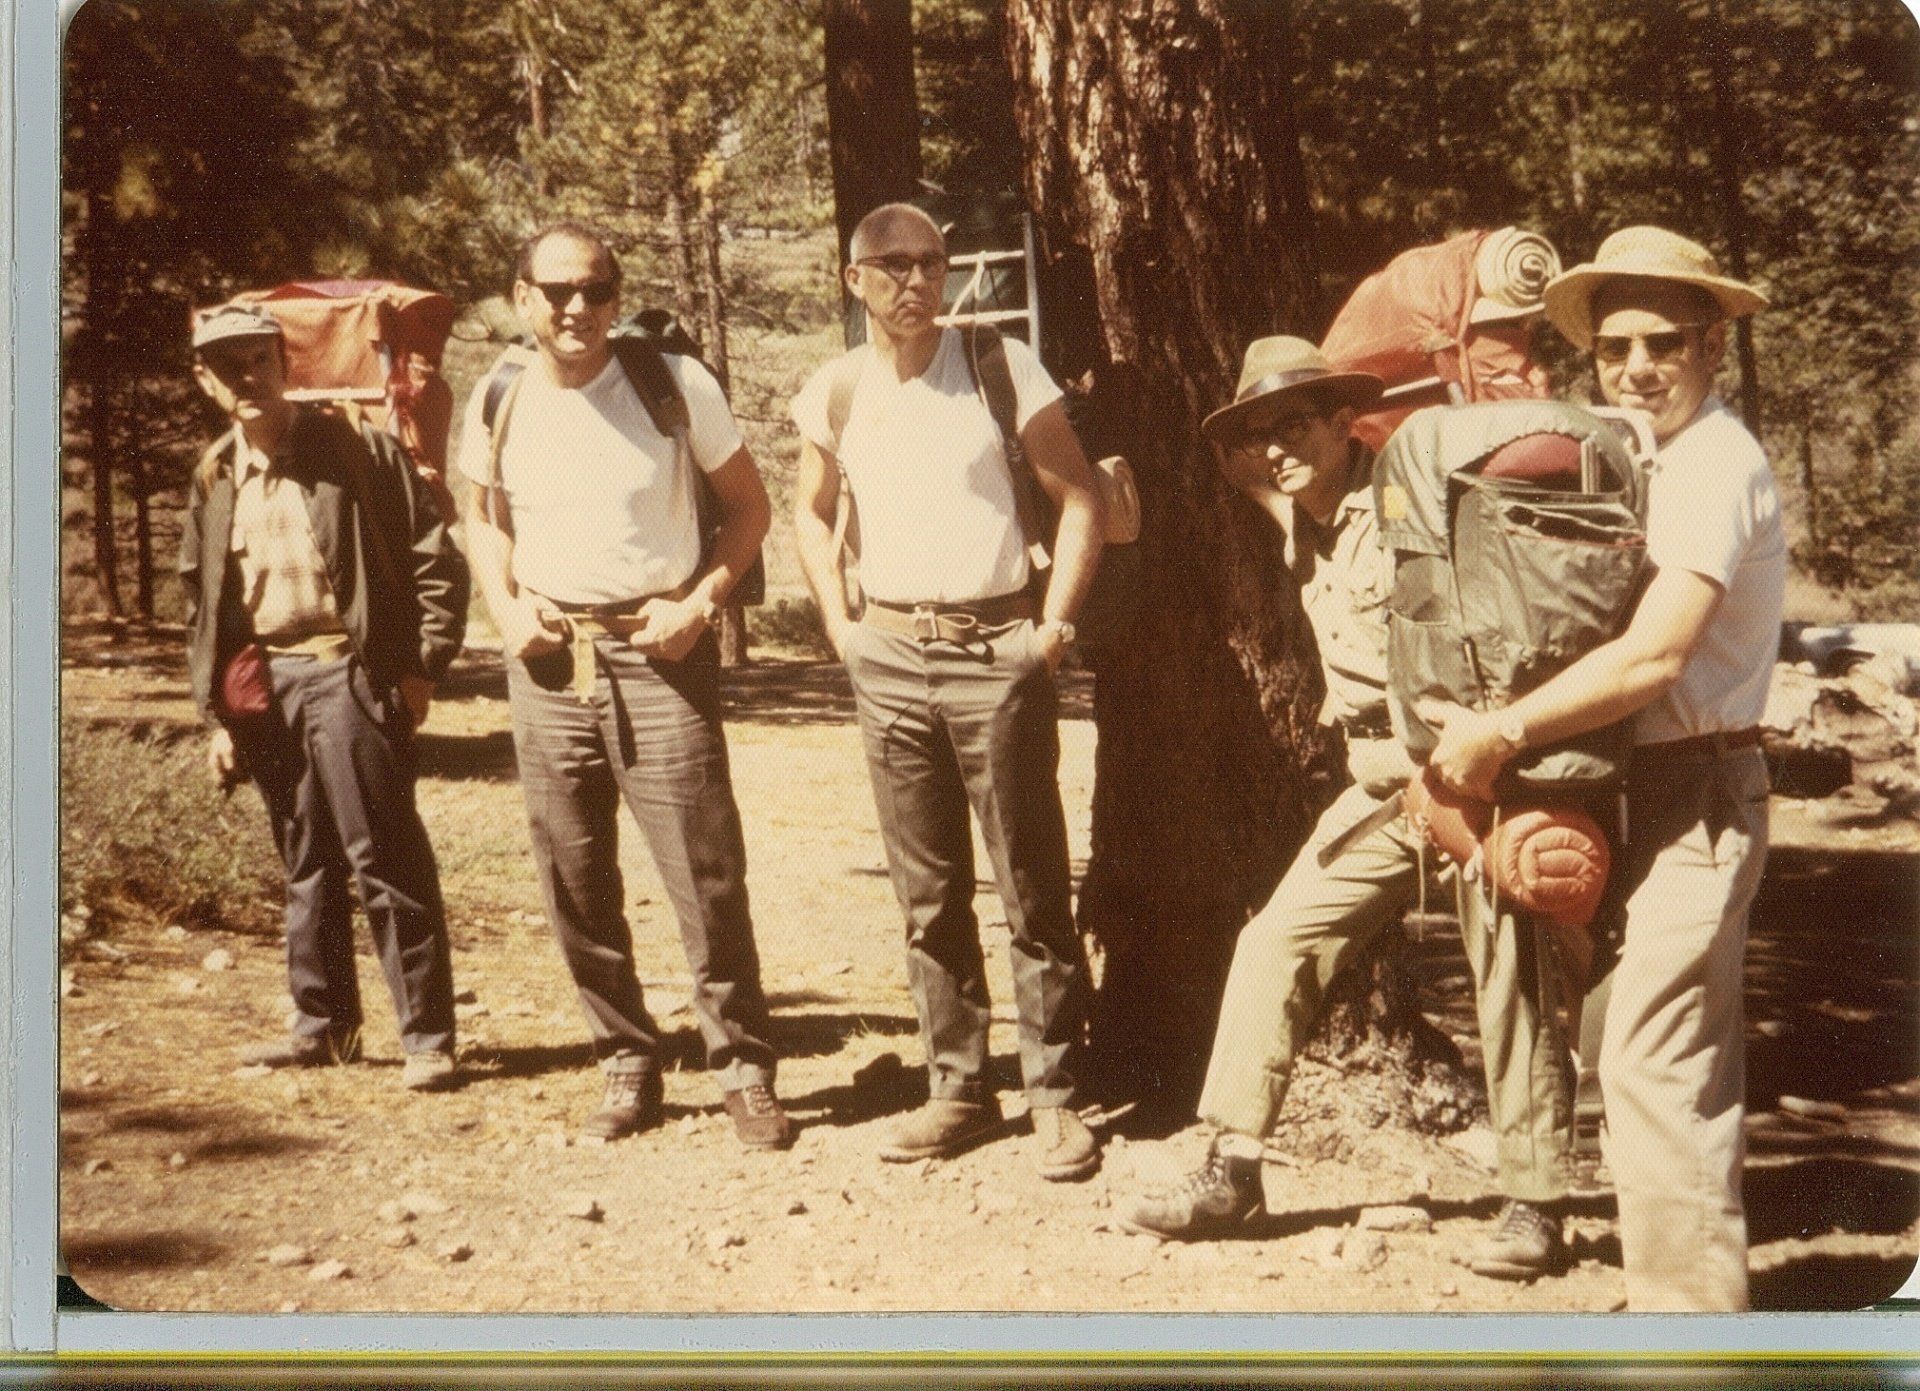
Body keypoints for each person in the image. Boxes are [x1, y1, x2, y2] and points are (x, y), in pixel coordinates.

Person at [1119, 336, 1578, 1281]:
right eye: (1257, 434)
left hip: (1469, 777)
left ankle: (1536, 1203)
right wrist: (1241, 455)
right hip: (1384, 789)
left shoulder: (1411, 506)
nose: (1273, 448)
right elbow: (1259, 482)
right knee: (1274, 940)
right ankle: (1233, 1169)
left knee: (1510, 972)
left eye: (1293, 425)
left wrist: (1487, 759)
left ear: (1344, 422)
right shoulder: (1307, 513)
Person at [1422, 226, 1781, 1311]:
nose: (1636, 367)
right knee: (1640, 1054)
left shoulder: (1715, 462)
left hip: (1698, 786)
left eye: (1664, 342)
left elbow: (1654, 656)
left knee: (1653, 1066)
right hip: (1630, 784)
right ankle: (1679, 1299)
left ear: (1712, 344)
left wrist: (1502, 732)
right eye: (1614, 346)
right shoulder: (1638, 457)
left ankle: (1693, 1334)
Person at [789, 203, 1108, 1180]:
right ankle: (959, 1087)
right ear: (855, 280)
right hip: (888, 652)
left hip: (996, 649)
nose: (917, 281)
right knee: (927, 893)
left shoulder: (998, 365)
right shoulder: (837, 389)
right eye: (893, 266)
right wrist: (842, 626)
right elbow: (810, 510)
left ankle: (1056, 1093)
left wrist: (1050, 629)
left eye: (932, 262)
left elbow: (1081, 495)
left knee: (1030, 884)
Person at [458, 221, 790, 1150]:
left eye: (596, 290)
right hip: (549, 657)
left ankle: (744, 1067)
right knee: (573, 873)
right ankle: (625, 1057)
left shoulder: (672, 384)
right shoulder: (498, 392)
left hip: (660, 651)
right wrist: (505, 608)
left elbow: (750, 508)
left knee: (704, 870)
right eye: (557, 291)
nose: (578, 308)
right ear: (522, 298)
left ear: (615, 295)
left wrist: (701, 603)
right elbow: (482, 515)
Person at [180, 304, 467, 1091]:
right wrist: (218, 714)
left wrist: (421, 669)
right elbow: (205, 602)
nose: (247, 376)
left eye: (259, 359)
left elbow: (434, 555)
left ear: (284, 363)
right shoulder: (214, 475)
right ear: (205, 380)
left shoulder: (355, 448)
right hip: (267, 689)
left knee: (385, 856)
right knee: (304, 860)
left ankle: (427, 1038)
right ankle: (323, 1026)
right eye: (227, 365)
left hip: (350, 674)